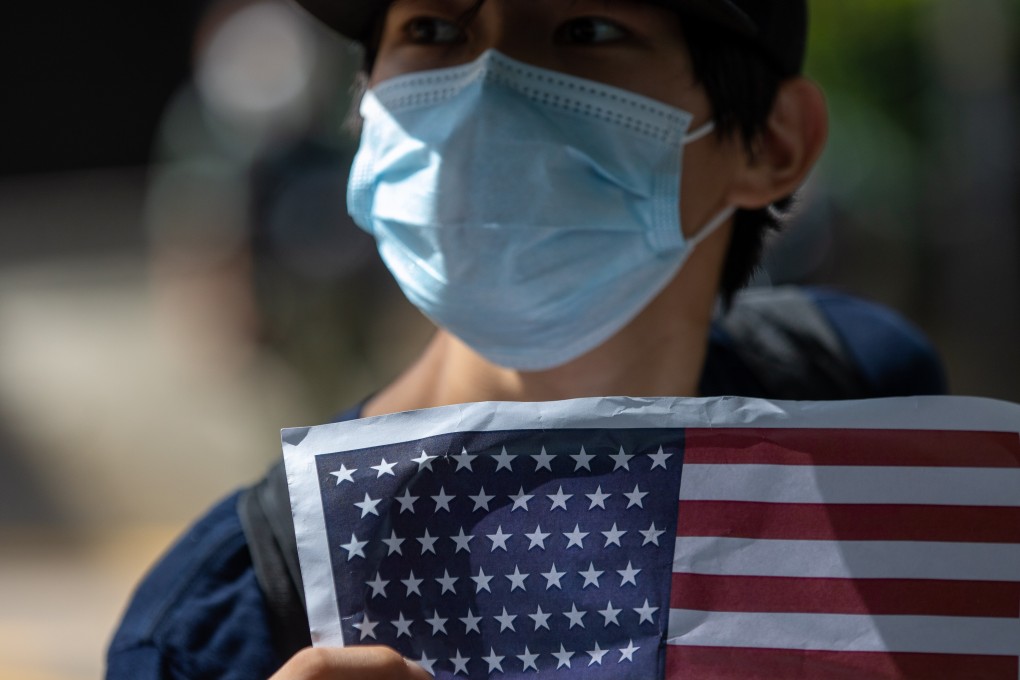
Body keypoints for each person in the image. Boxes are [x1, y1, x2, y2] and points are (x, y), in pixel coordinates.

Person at [107, 0, 946, 678]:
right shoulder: (217, 634)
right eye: (432, 29)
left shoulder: (865, 405)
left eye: (586, 29)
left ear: (772, 142)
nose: (488, 87)